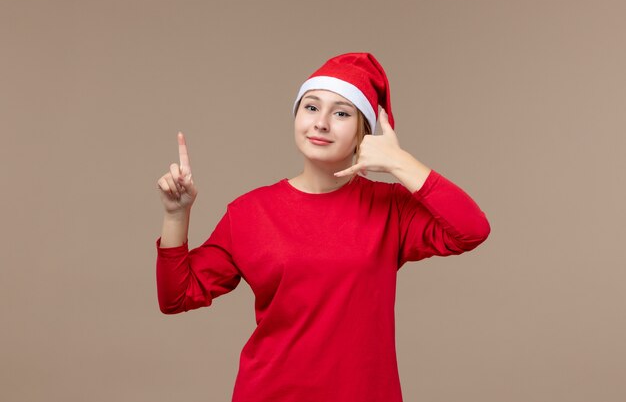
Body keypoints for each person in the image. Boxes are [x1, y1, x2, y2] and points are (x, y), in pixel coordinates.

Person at [155, 52, 491, 402]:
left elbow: (471, 229)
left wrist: (399, 162)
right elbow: (176, 296)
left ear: (365, 132)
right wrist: (176, 215)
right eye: (311, 107)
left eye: (342, 113)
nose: (321, 122)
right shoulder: (250, 212)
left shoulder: (390, 208)